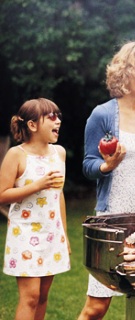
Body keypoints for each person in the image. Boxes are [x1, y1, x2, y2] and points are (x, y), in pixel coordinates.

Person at [78, 41, 135, 320]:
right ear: (123, 71)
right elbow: (88, 165)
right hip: (113, 216)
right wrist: (107, 166)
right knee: (96, 307)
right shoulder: (103, 114)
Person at [0, 98, 71, 320]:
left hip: (52, 234)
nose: (57, 120)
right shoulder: (16, 154)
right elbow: (2, 195)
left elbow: (58, 195)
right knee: (30, 297)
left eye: (58, 116)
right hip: (25, 234)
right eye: (51, 116)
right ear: (32, 125)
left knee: (41, 296)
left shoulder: (59, 153)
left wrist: (65, 235)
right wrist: (37, 185)